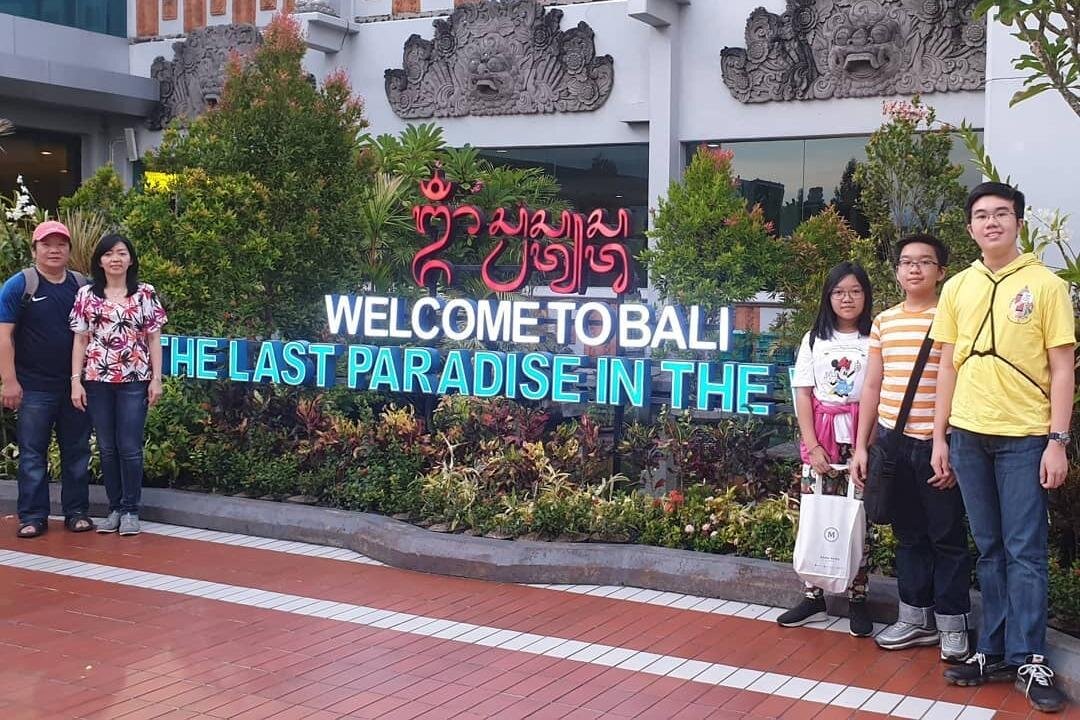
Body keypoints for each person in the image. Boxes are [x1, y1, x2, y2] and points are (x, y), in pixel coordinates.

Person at [931, 182, 1074, 713]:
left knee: (1025, 551)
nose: (991, 222)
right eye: (981, 215)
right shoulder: (958, 287)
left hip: (1025, 438)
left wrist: (1057, 440)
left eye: (1001, 214)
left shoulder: (1046, 285)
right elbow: (947, 365)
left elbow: (1063, 367)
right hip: (968, 435)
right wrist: (940, 435)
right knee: (989, 549)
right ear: (970, 227)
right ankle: (991, 651)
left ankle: (1030, 657)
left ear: (1017, 222)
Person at [850, 234, 972, 662]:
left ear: (942, 272)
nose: (914, 269)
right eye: (906, 262)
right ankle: (915, 618)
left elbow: (960, 383)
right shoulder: (884, 321)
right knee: (908, 536)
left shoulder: (952, 319)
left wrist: (948, 444)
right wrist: (862, 446)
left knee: (947, 537)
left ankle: (953, 624)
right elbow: (872, 385)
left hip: (939, 445)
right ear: (897, 271)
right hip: (893, 444)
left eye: (924, 262)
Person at [778, 261, 875, 637]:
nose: (847, 298)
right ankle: (813, 595)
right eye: (839, 292)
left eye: (855, 291)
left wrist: (865, 444)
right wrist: (812, 445)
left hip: (861, 438)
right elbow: (802, 393)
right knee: (816, 513)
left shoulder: (875, 337)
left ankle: (857, 597)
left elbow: (878, 392)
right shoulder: (814, 339)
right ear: (828, 297)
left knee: (857, 518)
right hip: (821, 436)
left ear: (865, 295)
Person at [0, 220, 94, 538]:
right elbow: (4, 336)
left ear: (69, 250)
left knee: (77, 452)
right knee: (32, 455)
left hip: (74, 387)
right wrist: (9, 381)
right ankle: (32, 516)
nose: (54, 250)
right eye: (46, 244)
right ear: (34, 250)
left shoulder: (82, 286)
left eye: (60, 244)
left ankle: (77, 512)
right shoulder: (20, 285)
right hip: (33, 387)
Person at [70, 234, 167, 537]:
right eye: (109, 253)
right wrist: (75, 381)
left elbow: (154, 338)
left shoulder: (145, 293)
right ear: (99, 261)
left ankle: (130, 510)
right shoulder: (86, 294)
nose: (115, 259)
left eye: (122, 253)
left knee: (129, 447)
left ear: (131, 259)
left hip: (134, 380)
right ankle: (114, 508)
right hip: (97, 380)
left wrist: (157, 378)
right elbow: (80, 340)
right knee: (107, 447)